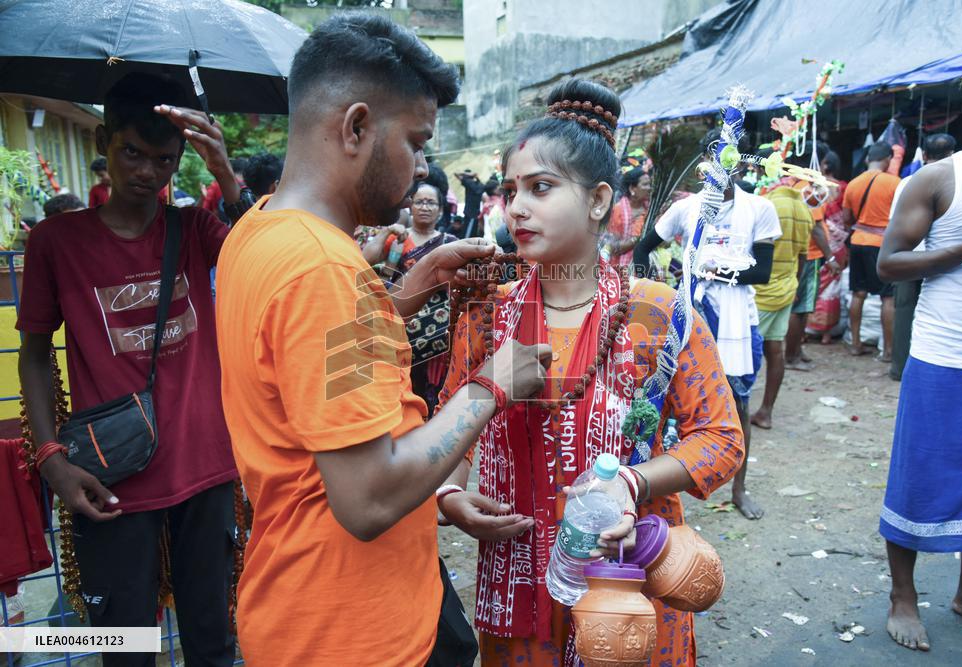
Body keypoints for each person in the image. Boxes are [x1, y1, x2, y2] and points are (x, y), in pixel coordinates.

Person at [213, 14, 550, 666]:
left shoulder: (258, 233)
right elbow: (367, 496)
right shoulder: (324, 271)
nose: (421, 166)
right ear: (357, 127)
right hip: (355, 634)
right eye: (417, 142)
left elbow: (310, 364)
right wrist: (492, 386)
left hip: (322, 605)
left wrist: (412, 285)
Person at [436, 78, 744, 666]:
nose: (515, 207)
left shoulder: (656, 311)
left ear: (599, 200)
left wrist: (633, 481)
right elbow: (452, 428)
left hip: (626, 581)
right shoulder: (486, 315)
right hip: (517, 584)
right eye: (509, 191)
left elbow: (721, 440)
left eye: (541, 187)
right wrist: (449, 496)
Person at [18, 72, 247, 667]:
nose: (147, 171)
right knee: (123, 648)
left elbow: (267, 252)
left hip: (206, 467)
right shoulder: (54, 243)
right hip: (109, 479)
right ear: (102, 142)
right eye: (132, 153)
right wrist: (51, 461)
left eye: (164, 160)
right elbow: (35, 356)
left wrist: (225, 173)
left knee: (214, 641)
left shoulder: (194, 229)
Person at [876, 57, 962, 652]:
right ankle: (904, 596)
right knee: (921, 471)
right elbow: (888, 264)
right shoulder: (937, 178)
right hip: (946, 352)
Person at [634, 128, 780, 520]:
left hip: (735, 316)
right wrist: (656, 290)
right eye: (714, 157)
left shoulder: (758, 209)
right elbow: (645, 247)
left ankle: (739, 487)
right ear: (704, 162)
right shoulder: (686, 209)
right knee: (672, 400)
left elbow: (762, 272)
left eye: (729, 158)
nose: (721, 167)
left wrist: (716, 269)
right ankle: (665, 487)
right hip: (689, 313)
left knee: (738, 402)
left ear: (741, 161)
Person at [378, 181, 459, 414]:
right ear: (410, 207)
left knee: (434, 379)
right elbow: (387, 276)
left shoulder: (449, 243)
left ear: (441, 210)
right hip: (405, 319)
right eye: (419, 202)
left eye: (431, 203)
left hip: (438, 328)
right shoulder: (399, 240)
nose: (425, 207)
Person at [887, 133, 956, 381]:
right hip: (939, 260)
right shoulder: (956, 182)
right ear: (953, 155)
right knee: (940, 313)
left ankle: (899, 368)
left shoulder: (907, 182)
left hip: (907, 258)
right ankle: (935, 368)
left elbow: (893, 222)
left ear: (924, 155)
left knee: (904, 311)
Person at [749, 166, 813, 430]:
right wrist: (794, 284)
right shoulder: (804, 211)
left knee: (746, 353)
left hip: (761, 290)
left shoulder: (768, 204)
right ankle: (766, 410)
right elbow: (803, 256)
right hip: (787, 287)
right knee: (775, 350)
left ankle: (734, 410)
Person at [784, 146, 842, 370]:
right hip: (809, 254)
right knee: (800, 307)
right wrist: (830, 258)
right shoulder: (807, 189)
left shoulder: (792, 185)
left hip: (799, 252)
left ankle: (796, 350)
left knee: (800, 306)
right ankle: (792, 356)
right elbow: (816, 228)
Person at [842, 141, 901, 358]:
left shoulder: (853, 184)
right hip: (882, 245)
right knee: (888, 297)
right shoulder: (895, 183)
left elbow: (847, 219)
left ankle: (855, 343)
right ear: (887, 159)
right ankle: (888, 350)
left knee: (858, 293)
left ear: (868, 159)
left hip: (858, 242)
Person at [808, 150, 851, 344]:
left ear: (824, 165)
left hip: (818, 241)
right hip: (838, 244)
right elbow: (847, 217)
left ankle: (807, 329)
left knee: (813, 286)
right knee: (832, 287)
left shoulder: (814, 187)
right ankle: (826, 333)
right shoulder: (843, 187)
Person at [603, 166, 650, 267]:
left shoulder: (650, 210)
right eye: (645, 184)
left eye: (650, 184)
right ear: (632, 188)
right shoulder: (618, 210)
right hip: (619, 266)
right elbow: (612, 246)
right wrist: (638, 239)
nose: (649, 188)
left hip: (643, 266)